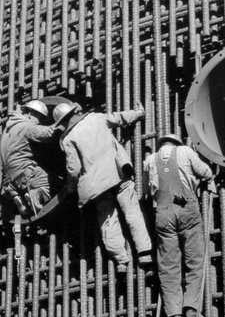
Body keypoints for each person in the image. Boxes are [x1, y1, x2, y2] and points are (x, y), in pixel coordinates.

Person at [55, 101, 153, 272]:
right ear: (75, 111)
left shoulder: (68, 139)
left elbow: (74, 169)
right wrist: (138, 113)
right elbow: (119, 118)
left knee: (108, 221)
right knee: (132, 212)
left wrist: (71, 188)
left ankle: (121, 261)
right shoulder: (95, 118)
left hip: (96, 185)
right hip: (118, 173)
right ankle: (144, 253)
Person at [143, 133, 216, 317]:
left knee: (168, 266)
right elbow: (206, 172)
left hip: (163, 214)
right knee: (195, 260)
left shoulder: (149, 160)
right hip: (186, 209)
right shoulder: (185, 151)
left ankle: (173, 312)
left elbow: (147, 191)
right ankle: (192, 308)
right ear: (177, 143)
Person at [0, 99, 59, 217]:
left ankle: (18, 197)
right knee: (56, 183)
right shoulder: (26, 126)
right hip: (25, 173)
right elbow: (49, 133)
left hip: (8, 181)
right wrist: (67, 119)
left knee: (21, 184)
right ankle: (37, 193)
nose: (40, 122)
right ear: (31, 114)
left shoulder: (9, 129)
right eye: (40, 118)